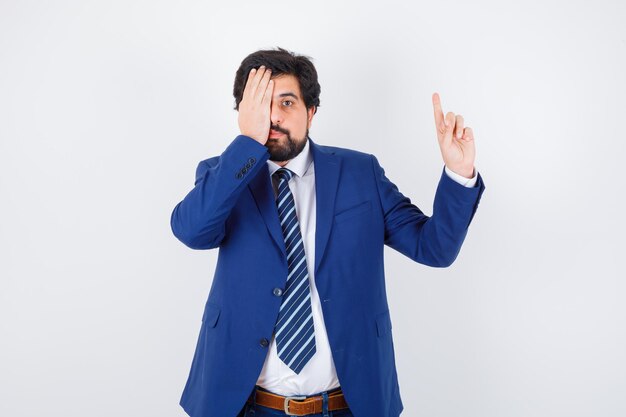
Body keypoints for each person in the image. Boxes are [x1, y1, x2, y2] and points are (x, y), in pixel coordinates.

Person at [170, 47, 485, 417]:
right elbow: (192, 232)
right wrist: (247, 146)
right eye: (260, 105)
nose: (273, 116)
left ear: (311, 112)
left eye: (286, 102)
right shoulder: (223, 175)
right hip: (245, 406)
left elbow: (434, 248)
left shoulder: (360, 173)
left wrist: (458, 175)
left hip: (348, 404)